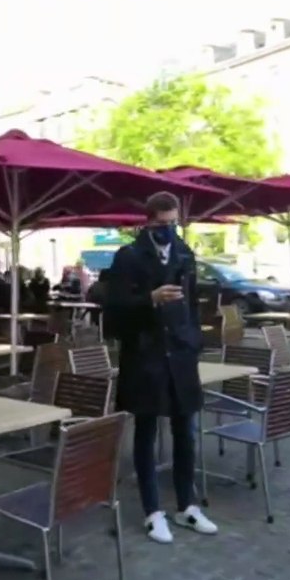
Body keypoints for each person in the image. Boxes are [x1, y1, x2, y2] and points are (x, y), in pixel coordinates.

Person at [104, 191, 217, 544]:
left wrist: (194, 339)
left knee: (187, 429)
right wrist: (148, 301)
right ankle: (153, 512)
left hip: (181, 355)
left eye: (173, 223)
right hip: (146, 356)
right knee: (146, 431)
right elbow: (114, 308)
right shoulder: (129, 256)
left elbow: (193, 303)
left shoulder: (184, 253)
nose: (168, 229)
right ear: (148, 221)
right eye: (162, 224)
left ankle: (187, 505)